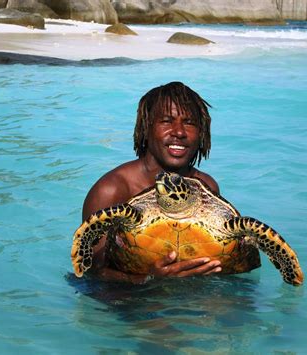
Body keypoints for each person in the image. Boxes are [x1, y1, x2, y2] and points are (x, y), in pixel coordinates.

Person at [82, 82, 226, 284]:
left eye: (190, 123)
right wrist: (148, 279)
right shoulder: (113, 190)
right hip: (129, 299)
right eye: (167, 121)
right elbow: (90, 273)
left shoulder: (204, 186)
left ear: (202, 132)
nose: (179, 132)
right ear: (146, 127)